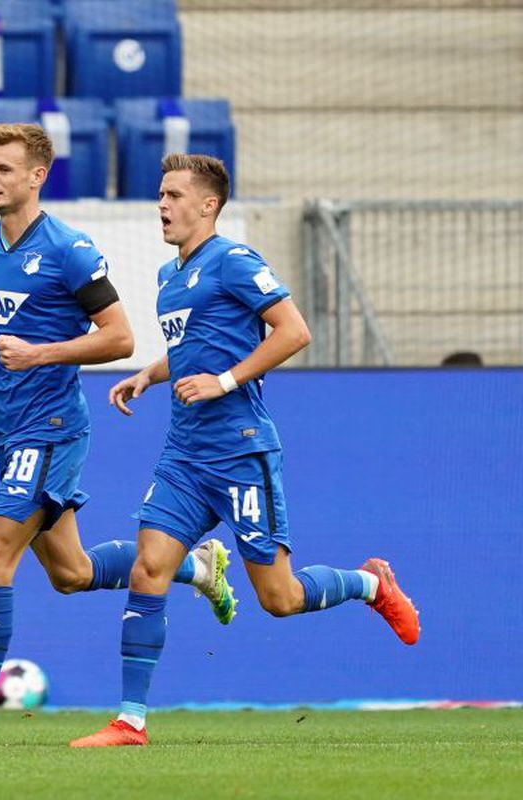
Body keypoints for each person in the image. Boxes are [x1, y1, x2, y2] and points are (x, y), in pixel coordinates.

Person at [0, 126, 237, 747]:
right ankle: (195, 569)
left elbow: (121, 338)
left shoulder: (70, 250)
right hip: (8, 427)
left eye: (5, 168)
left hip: (51, 428)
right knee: (72, 573)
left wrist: (43, 354)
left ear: (37, 176)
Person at [70, 155, 421, 748]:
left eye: (175, 195)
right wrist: (150, 376)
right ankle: (131, 721)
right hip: (184, 455)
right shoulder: (167, 275)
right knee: (149, 567)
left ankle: (369, 583)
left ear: (208, 205)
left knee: (279, 599)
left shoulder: (235, 262)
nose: (162, 204)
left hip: (239, 452)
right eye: (160, 193)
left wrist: (226, 382)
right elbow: (193, 348)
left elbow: (294, 331)